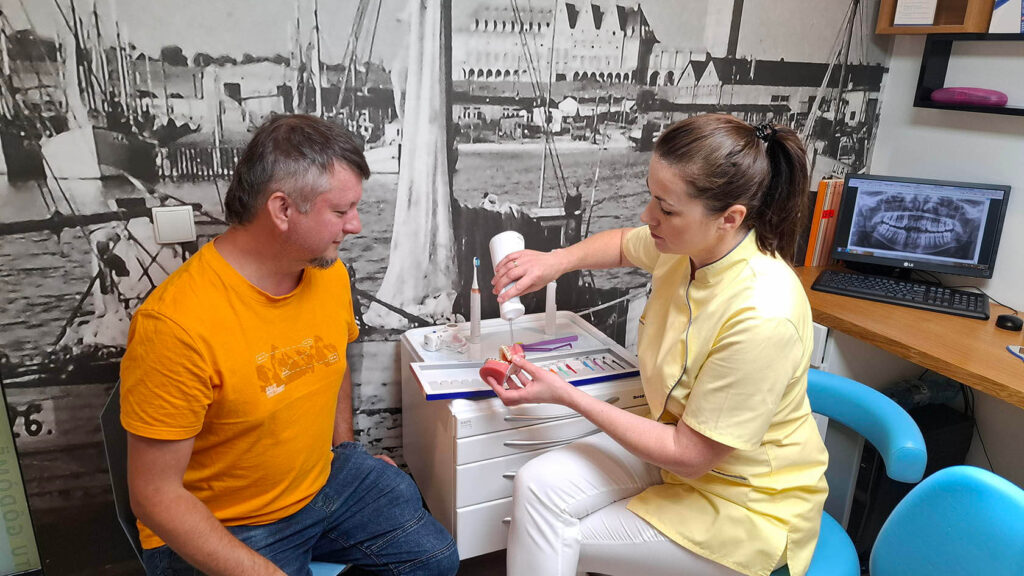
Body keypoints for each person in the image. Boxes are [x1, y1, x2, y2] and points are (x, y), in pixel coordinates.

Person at [487, 114, 827, 576]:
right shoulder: (689, 248)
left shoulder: (763, 313)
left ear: (730, 219)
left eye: (665, 209)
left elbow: (690, 455)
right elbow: (623, 246)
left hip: (746, 505)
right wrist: (555, 261)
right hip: (677, 454)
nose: (648, 217)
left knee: (549, 532)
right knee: (537, 485)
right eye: (651, 196)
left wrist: (565, 395)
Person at [120, 114, 459, 576]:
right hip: (228, 523)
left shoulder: (327, 273)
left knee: (435, 560)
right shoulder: (174, 325)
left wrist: (344, 449)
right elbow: (153, 496)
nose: (356, 225)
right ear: (282, 209)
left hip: (319, 485)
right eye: (341, 212)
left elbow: (334, 358)